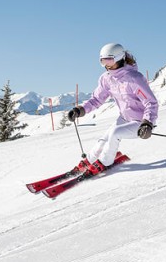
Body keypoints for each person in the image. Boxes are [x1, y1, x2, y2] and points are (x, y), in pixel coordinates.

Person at [67, 43, 159, 174]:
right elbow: (96, 99)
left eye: (109, 60)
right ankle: (89, 161)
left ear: (119, 58)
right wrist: (80, 110)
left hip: (141, 123)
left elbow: (151, 102)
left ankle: (104, 162)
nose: (106, 65)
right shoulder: (107, 79)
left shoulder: (134, 78)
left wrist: (148, 123)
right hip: (124, 118)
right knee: (103, 140)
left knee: (115, 133)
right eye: (103, 61)